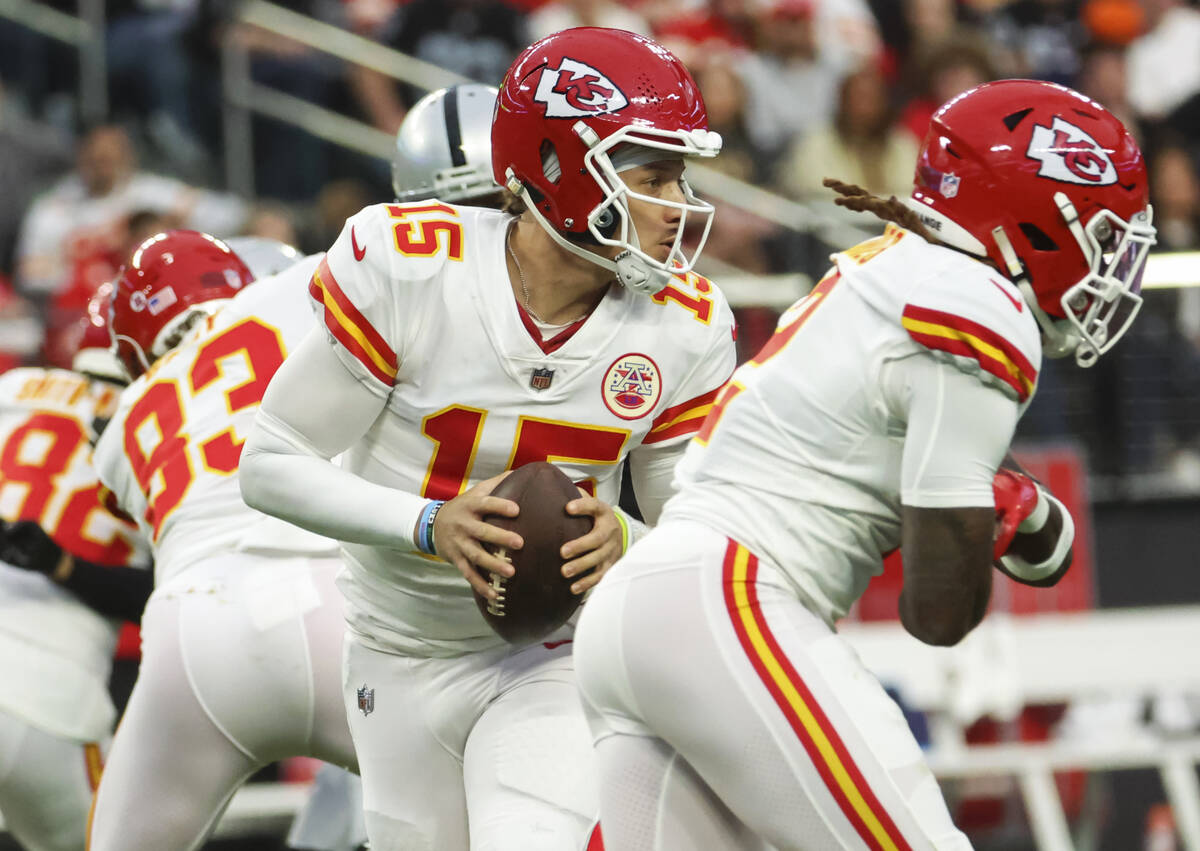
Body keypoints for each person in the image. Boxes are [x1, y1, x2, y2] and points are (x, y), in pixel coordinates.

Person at [573, 78, 1156, 850]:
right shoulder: (981, 303)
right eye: (1104, 234)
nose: (1113, 262)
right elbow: (938, 616)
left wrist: (1006, 505)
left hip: (640, 611)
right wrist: (978, 510)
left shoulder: (904, 268)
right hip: (732, 602)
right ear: (1039, 216)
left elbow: (1033, 537)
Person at [240, 27, 735, 850]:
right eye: (653, 176)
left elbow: (702, 536)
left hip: (554, 651)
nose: (676, 206)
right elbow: (270, 466)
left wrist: (629, 535)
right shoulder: (408, 266)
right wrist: (430, 522)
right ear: (558, 171)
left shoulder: (684, 325)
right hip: (395, 650)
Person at [88, 231, 358, 851]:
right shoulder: (301, 286)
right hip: (335, 596)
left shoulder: (120, 427)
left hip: (194, 630)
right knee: (470, 815)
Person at [286, 81, 502, 851]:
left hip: (542, 627)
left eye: (498, 207)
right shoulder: (386, 280)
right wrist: (428, 522)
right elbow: (281, 455)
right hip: (395, 607)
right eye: (463, 206)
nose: (482, 232)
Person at [0, 301, 150, 851]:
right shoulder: (165, 425)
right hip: (52, 697)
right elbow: (162, 599)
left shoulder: (15, 388)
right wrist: (66, 566)